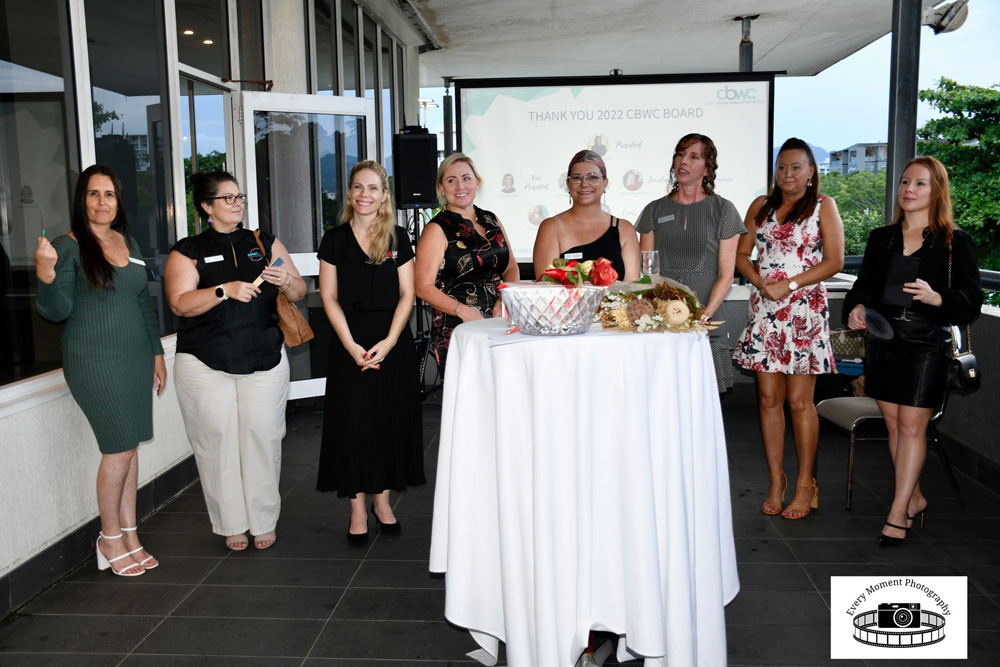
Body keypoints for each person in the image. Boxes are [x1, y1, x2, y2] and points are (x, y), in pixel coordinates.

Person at [164, 171, 306, 551]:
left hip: (264, 357)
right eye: (227, 198)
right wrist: (223, 290)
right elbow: (180, 302)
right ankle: (230, 523)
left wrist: (284, 281)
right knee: (217, 442)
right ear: (206, 207)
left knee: (263, 437)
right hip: (205, 364)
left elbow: (299, 290)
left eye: (239, 195)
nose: (237, 202)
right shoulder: (188, 249)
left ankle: (263, 520)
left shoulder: (262, 241)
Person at [35, 164, 166, 576]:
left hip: (134, 358)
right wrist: (45, 273)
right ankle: (108, 538)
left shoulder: (129, 242)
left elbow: (143, 303)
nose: (102, 202)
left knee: (130, 446)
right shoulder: (68, 246)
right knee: (119, 448)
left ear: (118, 200)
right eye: (94, 194)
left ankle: (130, 532)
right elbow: (57, 311)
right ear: (82, 200)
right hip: (94, 360)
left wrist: (157, 353)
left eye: (109, 194)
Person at [844, 156, 981, 546]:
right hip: (884, 343)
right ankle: (915, 496)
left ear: (936, 190)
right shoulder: (880, 238)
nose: (909, 190)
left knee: (911, 427)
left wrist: (938, 298)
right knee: (892, 426)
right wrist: (855, 307)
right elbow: (863, 288)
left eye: (920, 184)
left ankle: (897, 512)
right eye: (906, 182)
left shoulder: (955, 242)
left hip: (926, 345)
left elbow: (970, 302)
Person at [732, 137, 845, 519]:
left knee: (799, 402)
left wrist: (791, 284)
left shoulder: (823, 206)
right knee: (767, 399)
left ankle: (805, 482)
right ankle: (776, 479)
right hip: (766, 310)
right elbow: (742, 255)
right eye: (782, 167)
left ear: (811, 172)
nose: (788, 175)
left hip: (804, 313)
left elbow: (835, 261)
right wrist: (760, 282)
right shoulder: (760, 207)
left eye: (796, 167)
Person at [315, 161, 425, 544]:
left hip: (391, 344)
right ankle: (357, 508)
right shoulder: (334, 239)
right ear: (349, 193)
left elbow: (408, 294)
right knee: (354, 427)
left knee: (387, 424)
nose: (365, 195)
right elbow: (328, 297)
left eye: (373, 188)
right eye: (358, 187)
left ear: (384, 195)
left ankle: (383, 502)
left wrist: (391, 342)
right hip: (350, 344)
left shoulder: (398, 237)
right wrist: (350, 346)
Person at [636, 133, 746, 392]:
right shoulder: (654, 210)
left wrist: (702, 317)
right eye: (679, 154)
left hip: (705, 318)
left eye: (693, 157)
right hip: (662, 318)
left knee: (703, 400)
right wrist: (658, 312)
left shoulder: (723, 210)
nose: (683, 161)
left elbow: (726, 275)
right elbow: (646, 271)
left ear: (706, 168)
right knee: (663, 395)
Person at [415, 153, 519, 369]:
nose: (460, 186)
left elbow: (511, 267)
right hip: (461, 326)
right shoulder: (436, 229)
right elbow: (423, 287)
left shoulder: (492, 219)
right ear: (441, 188)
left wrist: (504, 299)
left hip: (501, 321)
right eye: (451, 180)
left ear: (477, 182)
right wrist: (462, 310)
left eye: (466, 178)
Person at [532, 150, 640, 282]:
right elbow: (546, 287)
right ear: (568, 184)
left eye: (592, 177)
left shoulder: (624, 229)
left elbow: (632, 289)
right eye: (577, 178)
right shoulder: (551, 227)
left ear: (605, 183)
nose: (584, 184)